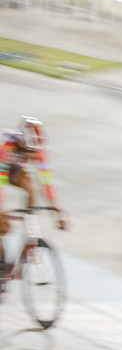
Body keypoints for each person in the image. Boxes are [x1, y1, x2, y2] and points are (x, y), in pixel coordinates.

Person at [0, 118, 68, 279]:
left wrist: (56, 213)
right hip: (2, 165)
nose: (30, 157)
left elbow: (46, 183)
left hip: (10, 166)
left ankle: (29, 236)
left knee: (31, 185)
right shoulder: (6, 147)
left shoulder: (39, 152)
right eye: (26, 153)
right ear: (21, 144)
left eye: (33, 154)